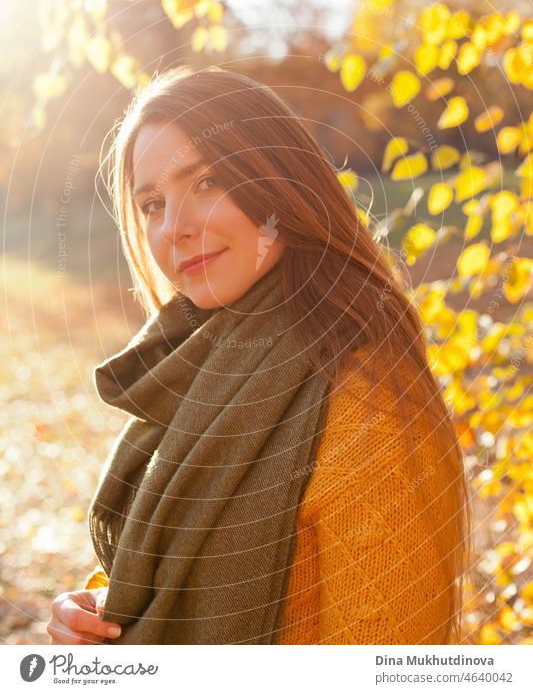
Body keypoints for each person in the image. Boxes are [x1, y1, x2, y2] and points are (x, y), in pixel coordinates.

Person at [47, 65, 471, 645]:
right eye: (151, 204)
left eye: (207, 182)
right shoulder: (201, 368)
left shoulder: (366, 401)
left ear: (278, 184)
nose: (174, 227)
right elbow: (183, 574)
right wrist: (98, 613)